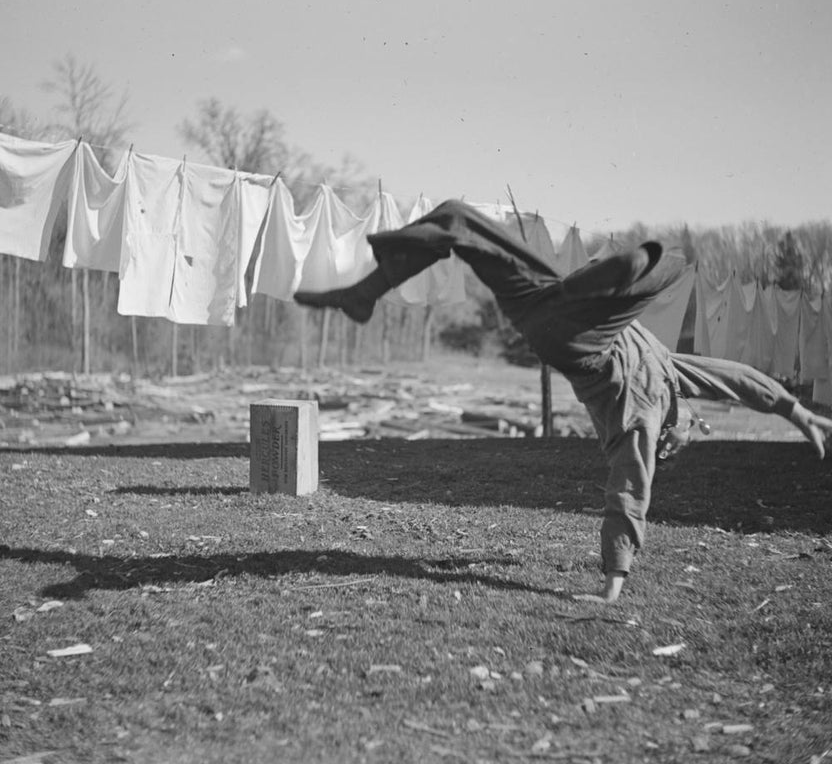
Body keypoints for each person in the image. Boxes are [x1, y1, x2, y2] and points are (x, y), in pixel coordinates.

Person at [295, 199, 832, 604]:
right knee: (459, 220)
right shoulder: (676, 374)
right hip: (547, 306)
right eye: (692, 424)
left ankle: (618, 278)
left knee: (659, 269)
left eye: (687, 431)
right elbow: (740, 380)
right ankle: (365, 293)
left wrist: (611, 585)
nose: (694, 424)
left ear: (671, 433)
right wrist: (797, 410)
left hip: (579, 340)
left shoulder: (640, 423)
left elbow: (630, 491)